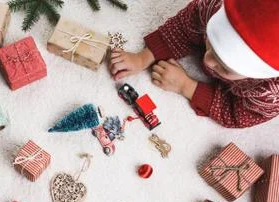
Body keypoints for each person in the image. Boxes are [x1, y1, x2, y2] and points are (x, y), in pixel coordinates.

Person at [109, 0, 279, 128]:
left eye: (224, 67)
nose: (207, 60)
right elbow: (184, 25)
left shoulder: (269, 95)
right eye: (210, 43)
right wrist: (144, 57)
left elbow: (235, 114)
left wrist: (187, 86)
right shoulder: (213, 8)